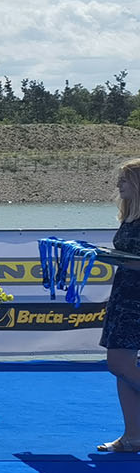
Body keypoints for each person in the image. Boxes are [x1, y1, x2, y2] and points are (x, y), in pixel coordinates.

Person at [97, 159, 140, 452]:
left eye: (124, 180)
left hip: (136, 301)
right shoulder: (129, 216)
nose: (118, 185)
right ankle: (133, 437)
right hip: (124, 296)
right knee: (123, 368)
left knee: (119, 363)